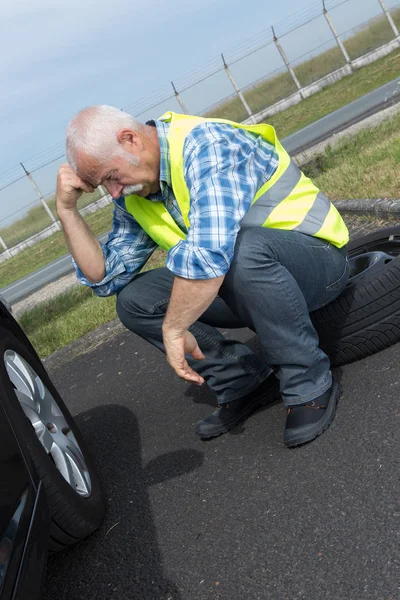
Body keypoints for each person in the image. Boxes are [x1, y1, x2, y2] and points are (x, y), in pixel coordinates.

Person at [56, 105, 349, 448]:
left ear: (130, 140)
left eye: (110, 177)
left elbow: (210, 252)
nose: (114, 193)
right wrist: (67, 211)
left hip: (317, 265)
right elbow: (105, 277)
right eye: (103, 184)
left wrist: (175, 328)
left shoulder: (207, 145)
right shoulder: (137, 193)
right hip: (249, 284)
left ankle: (308, 381)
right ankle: (243, 380)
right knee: (135, 300)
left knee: (242, 250)